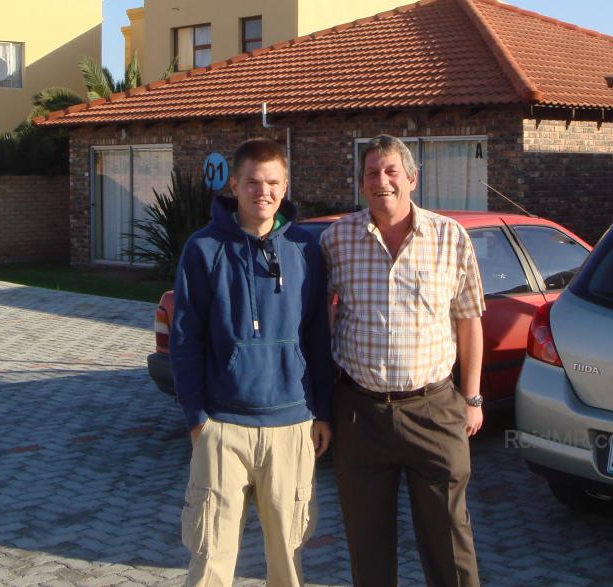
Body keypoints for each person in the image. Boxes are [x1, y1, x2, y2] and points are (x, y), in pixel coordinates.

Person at [319, 134, 485, 587]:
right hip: (360, 413)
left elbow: (469, 321)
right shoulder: (336, 241)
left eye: (392, 171)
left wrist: (472, 397)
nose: (382, 181)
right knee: (367, 545)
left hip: (434, 410)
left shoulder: (450, 238)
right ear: (361, 184)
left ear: (412, 178)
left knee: (450, 542)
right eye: (372, 172)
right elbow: (318, 316)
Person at [171, 138, 333, 587]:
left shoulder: (305, 249)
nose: (263, 191)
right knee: (210, 561)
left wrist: (322, 411)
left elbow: (318, 336)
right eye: (253, 182)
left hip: (291, 424)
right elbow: (186, 338)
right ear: (235, 185)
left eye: (273, 183)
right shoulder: (203, 249)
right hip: (222, 426)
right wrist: (196, 417)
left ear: (285, 187)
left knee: (288, 559)